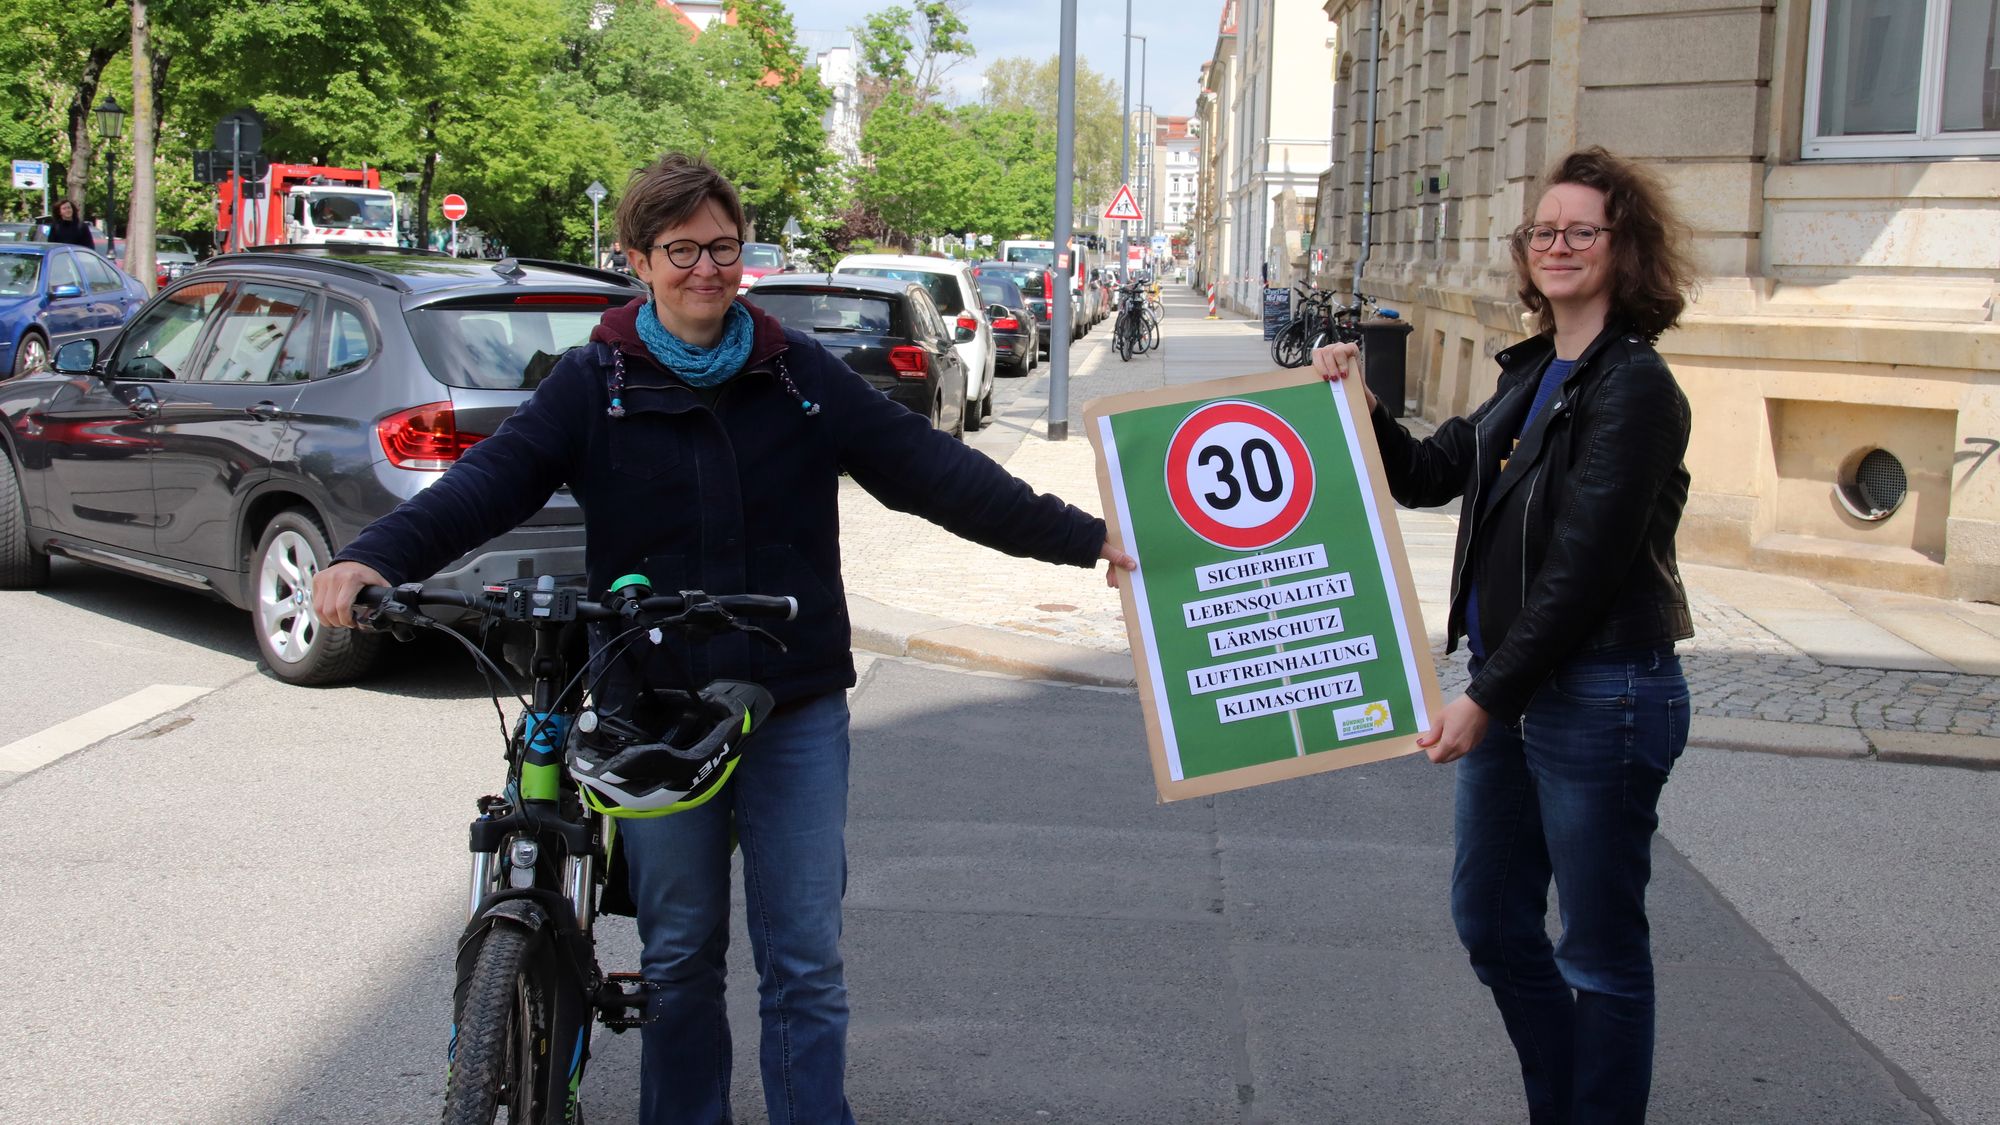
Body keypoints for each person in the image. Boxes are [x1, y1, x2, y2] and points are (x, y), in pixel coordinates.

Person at [311, 152, 1135, 1125]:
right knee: (679, 957)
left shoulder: (798, 376)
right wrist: (372, 556)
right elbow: (487, 484)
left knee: (804, 959)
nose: (706, 268)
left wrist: (1085, 538)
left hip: (790, 701)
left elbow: (938, 476)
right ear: (637, 259)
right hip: (653, 708)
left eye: (723, 247)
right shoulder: (595, 383)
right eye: (681, 250)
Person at [1313, 146, 1697, 1124]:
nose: (1556, 245)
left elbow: (1582, 572)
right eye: (1542, 231)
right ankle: (1565, 1103)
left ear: (1624, 247)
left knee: (1599, 954)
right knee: (1489, 922)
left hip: (1600, 694)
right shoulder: (1533, 372)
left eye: (1580, 231)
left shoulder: (1634, 386)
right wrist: (1357, 402)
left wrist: (1485, 699)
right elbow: (1425, 474)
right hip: (1516, 690)